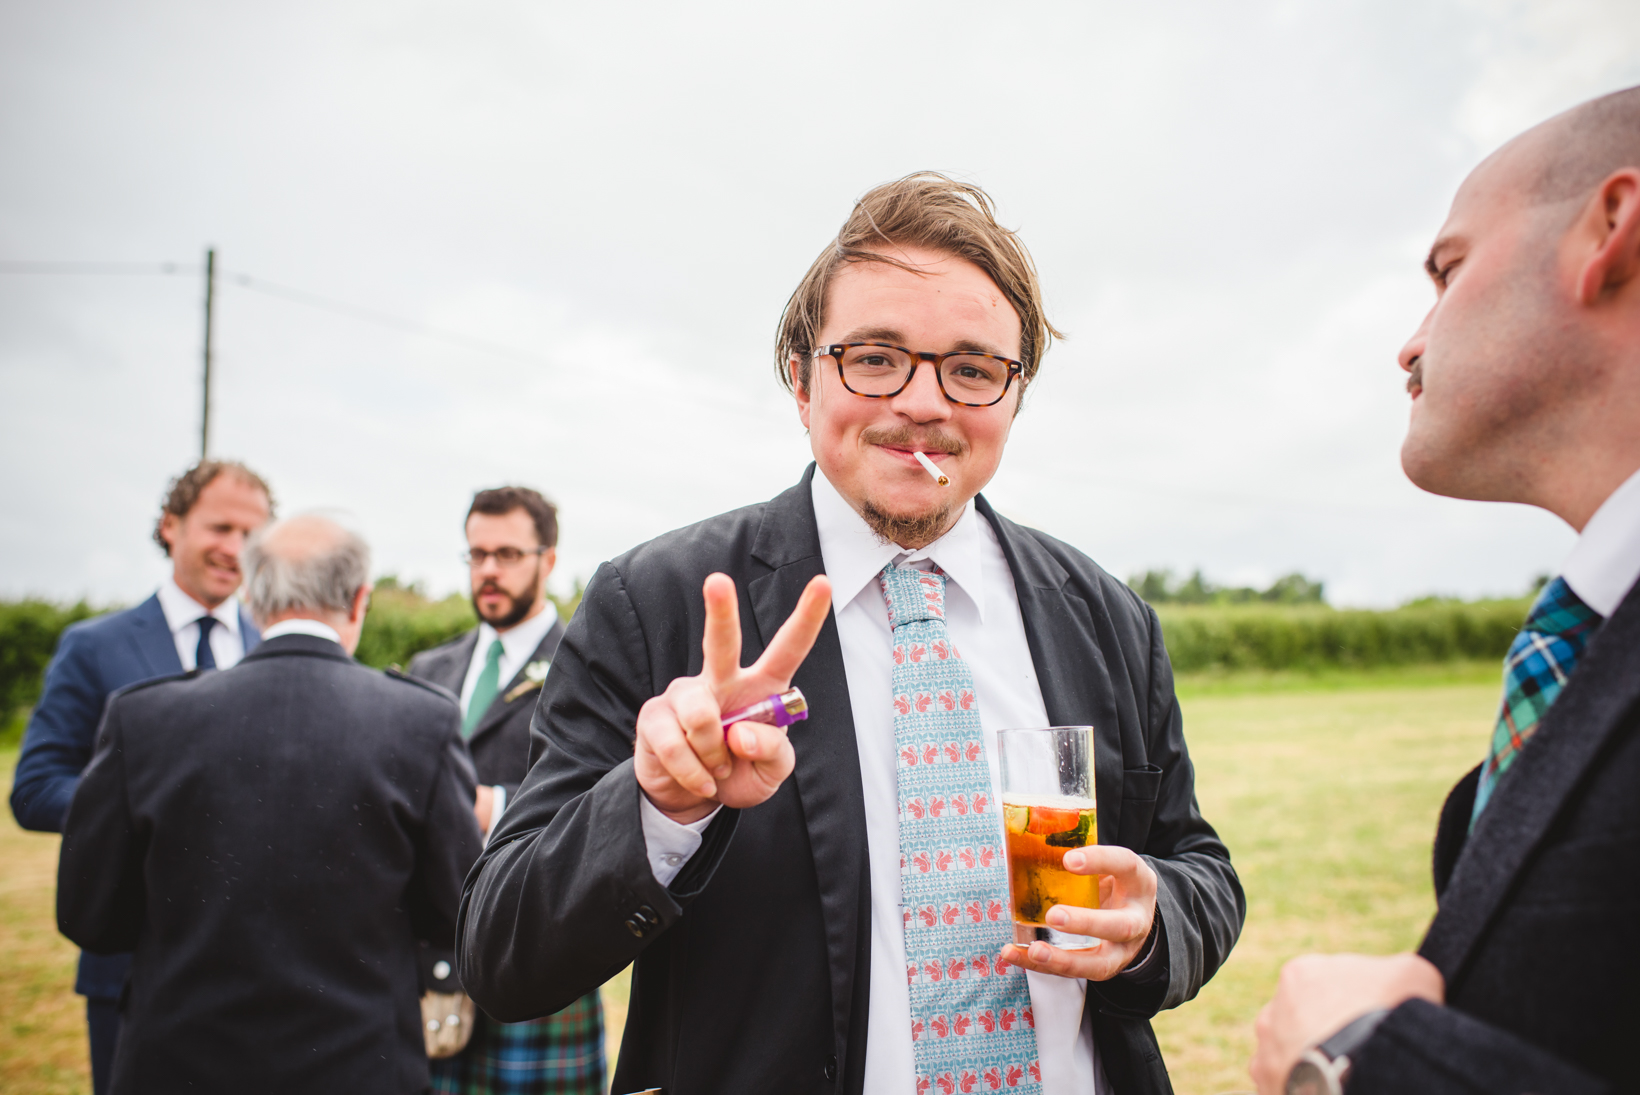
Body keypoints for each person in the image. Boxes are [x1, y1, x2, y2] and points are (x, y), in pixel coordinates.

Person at [458, 173, 1244, 1094]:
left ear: (1014, 396)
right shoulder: (655, 600)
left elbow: (1201, 870)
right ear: (800, 379)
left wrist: (1158, 919)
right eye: (874, 358)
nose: (923, 402)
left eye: (972, 367)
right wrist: (658, 807)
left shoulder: (1105, 615)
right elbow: (502, 951)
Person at [1250, 86, 1640, 1095]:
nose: (1409, 345)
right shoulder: (1584, 642)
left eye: (1447, 270)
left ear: (1612, 227)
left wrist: (1361, 1060)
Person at [56, 514, 486, 1094]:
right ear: (360, 600)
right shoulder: (421, 722)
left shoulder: (145, 718)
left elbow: (91, 917)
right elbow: (456, 911)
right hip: (358, 1068)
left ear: (253, 598)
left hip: (176, 1067)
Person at [10, 459, 272, 1094]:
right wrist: (150, 813)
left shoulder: (273, 646)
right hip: (132, 956)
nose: (233, 548)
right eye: (219, 527)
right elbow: (37, 786)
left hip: (262, 960)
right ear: (170, 525)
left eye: (250, 534)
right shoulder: (94, 646)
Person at [408, 486, 605, 1095]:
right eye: (476, 555)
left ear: (547, 560)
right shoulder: (429, 671)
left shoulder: (591, 661)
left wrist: (491, 805)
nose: (488, 570)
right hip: (426, 951)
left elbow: (607, 794)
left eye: (507, 554)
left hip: (534, 941)